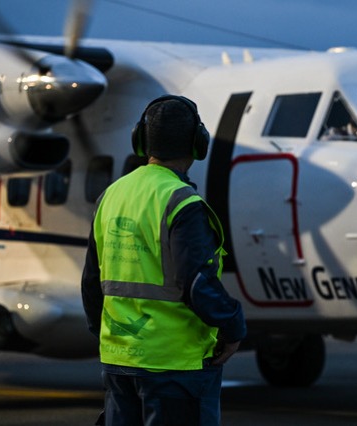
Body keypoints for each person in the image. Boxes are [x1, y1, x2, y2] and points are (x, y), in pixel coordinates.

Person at [81, 94, 246, 426]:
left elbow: (91, 282)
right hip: (174, 366)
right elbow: (197, 283)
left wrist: (110, 338)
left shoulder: (111, 196)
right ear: (198, 143)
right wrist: (233, 326)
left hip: (119, 361)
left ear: (141, 141)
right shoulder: (181, 202)